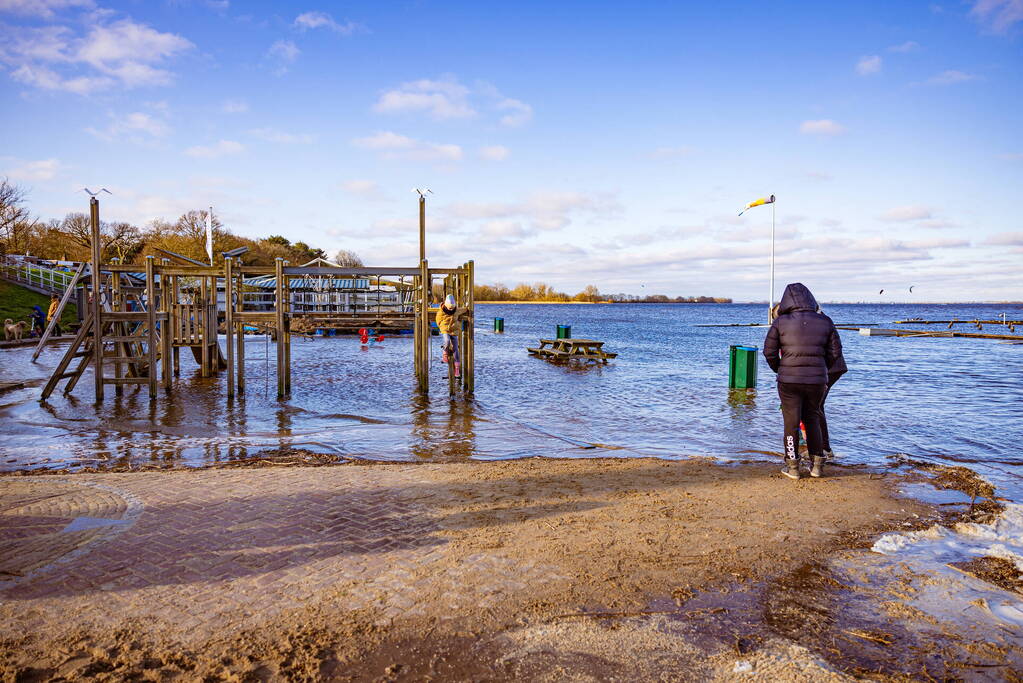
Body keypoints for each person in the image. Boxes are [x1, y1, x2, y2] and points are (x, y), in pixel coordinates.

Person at [763, 283, 843, 480]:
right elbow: (835, 352)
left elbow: (769, 352)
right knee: (813, 417)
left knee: (791, 421)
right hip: (817, 380)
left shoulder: (780, 322)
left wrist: (780, 368)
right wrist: (821, 369)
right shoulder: (825, 321)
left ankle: (793, 467)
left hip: (788, 380)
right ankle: (817, 466)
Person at [817, 306, 847, 460]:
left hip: (830, 368)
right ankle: (821, 447)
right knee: (817, 406)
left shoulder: (819, 320)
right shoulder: (820, 319)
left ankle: (824, 449)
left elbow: (834, 350)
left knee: (816, 406)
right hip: (830, 368)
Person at [435, 294, 462, 379]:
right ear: (446, 305)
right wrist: (442, 327)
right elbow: (438, 320)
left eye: (452, 308)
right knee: (446, 340)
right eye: (450, 308)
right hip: (445, 329)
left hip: (454, 330)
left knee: (455, 348)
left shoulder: (456, 310)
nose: (451, 309)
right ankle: (445, 353)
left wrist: (468, 309)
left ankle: (457, 369)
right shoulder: (441, 311)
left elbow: (463, 310)